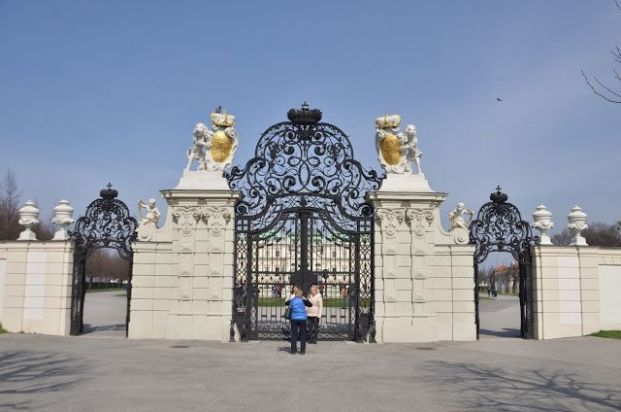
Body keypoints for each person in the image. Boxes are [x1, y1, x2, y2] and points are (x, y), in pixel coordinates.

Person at [285, 287, 312, 355]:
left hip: (294, 319)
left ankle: (293, 350)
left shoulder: (292, 300)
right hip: (303, 319)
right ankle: (302, 351)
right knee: (303, 335)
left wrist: (292, 298)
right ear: (301, 295)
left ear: (296, 294)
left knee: (294, 335)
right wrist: (305, 298)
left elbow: (286, 303)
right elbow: (310, 304)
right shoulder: (303, 300)